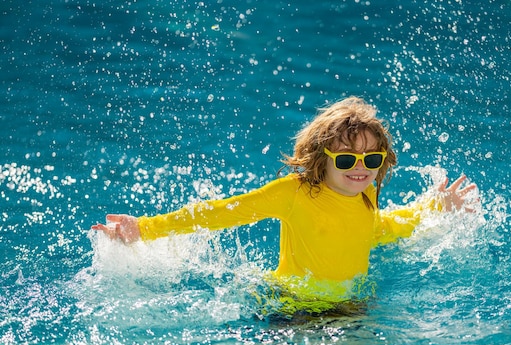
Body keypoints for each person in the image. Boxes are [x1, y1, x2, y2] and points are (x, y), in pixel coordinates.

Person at [92, 96, 477, 316]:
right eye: (346, 160)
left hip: (352, 305)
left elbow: (378, 229)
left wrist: (433, 208)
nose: (360, 169)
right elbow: (222, 212)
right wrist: (146, 228)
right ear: (320, 158)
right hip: (293, 307)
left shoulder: (364, 193)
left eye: (371, 160)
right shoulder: (294, 193)